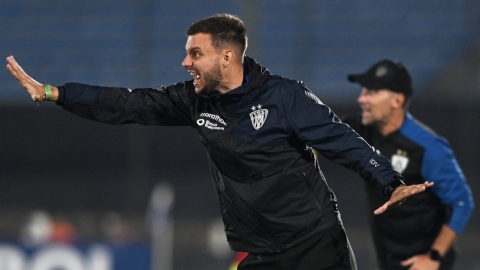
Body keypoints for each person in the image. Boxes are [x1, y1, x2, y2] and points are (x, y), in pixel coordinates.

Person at [7, 14, 432, 270]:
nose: (185, 62)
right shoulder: (192, 100)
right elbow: (127, 103)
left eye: (195, 54)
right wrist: (56, 93)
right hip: (258, 251)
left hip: (315, 244)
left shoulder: (286, 97)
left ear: (226, 57)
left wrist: (390, 182)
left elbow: (346, 143)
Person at [344, 60, 474, 270]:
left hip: (420, 263)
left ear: (397, 100)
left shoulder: (428, 147)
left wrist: (433, 257)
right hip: (387, 258)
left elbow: (461, 203)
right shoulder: (362, 130)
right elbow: (323, 131)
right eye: (363, 91)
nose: (362, 99)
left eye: (372, 92)